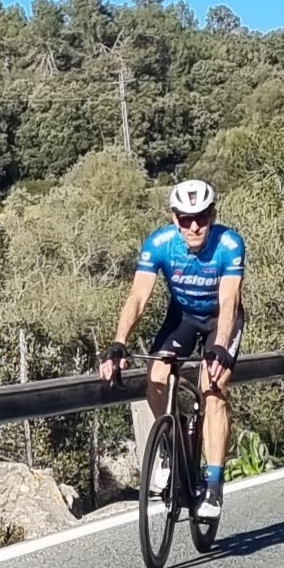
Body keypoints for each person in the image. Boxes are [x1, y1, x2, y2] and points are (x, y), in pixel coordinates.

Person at [101, 179, 245, 522]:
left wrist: (220, 347)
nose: (194, 227)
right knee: (156, 377)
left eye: (202, 218)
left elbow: (229, 300)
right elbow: (138, 298)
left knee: (213, 388)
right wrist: (119, 343)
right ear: (174, 218)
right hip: (183, 318)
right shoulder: (160, 244)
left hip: (221, 320)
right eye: (185, 219)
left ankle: (214, 483)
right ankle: (172, 441)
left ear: (213, 215)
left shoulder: (229, 243)